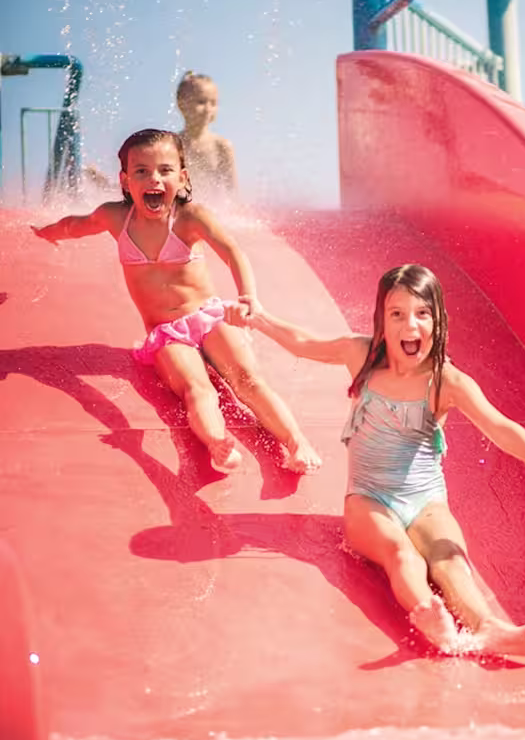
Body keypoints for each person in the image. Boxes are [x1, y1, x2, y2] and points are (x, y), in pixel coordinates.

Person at [235, 263, 525, 658]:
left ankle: (486, 627)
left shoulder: (446, 381)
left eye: (422, 313)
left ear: (438, 318)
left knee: (450, 559)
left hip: (426, 500)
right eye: (397, 314)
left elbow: (502, 428)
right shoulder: (360, 354)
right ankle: (429, 614)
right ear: (381, 321)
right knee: (401, 553)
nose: (410, 324)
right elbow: (303, 342)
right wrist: (258, 317)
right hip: (368, 500)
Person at [31, 128, 320, 476]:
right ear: (125, 181)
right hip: (166, 334)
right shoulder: (115, 218)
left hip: (208, 318)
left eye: (165, 170)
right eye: (142, 171)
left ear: (182, 177)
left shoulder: (190, 217)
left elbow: (232, 252)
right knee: (195, 387)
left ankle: (296, 441)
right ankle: (217, 442)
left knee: (247, 379)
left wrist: (248, 298)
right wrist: (46, 232)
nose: (154, 178)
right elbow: (78, 224)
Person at [176, 72, 236, 200]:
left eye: (213, 103)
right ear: (181, 104)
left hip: (210, 211)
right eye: (201, 102)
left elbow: (232, 192)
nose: (208, 109)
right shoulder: (172, 145)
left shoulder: (221, 147)